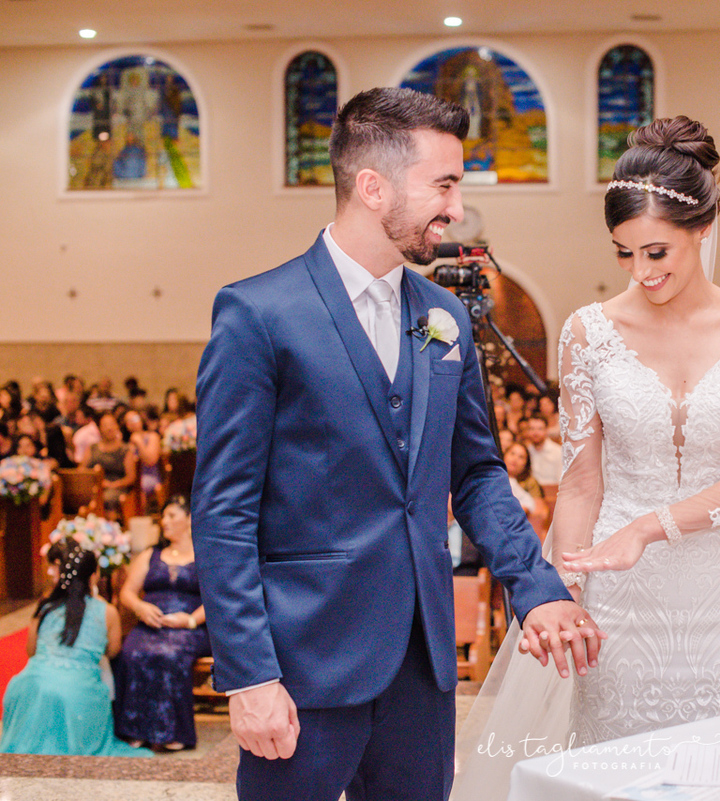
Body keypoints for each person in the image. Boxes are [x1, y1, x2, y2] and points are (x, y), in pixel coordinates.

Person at [192, 87, 599, 801]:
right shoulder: (258, 313)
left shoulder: (443, 318)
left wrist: (534, 588)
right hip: (303, 665)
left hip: (422, 668)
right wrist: (250, 673)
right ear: (372, 187)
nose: (454, 207)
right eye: (443, 184)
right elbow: (222, 510)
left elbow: (475, 471)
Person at [500, 115, 720, 747]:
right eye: (624, 253)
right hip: (617, 608)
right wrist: (567, 590)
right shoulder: (587, 333)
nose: (641, 272)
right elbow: (578, 487)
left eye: (657, 253)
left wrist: (650, 527)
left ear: (702, 230)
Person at [0, 540, 150, 757]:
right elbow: (113, 651)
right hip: (79, 691)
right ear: (93, 576)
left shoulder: (46, 606)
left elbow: (31, 650)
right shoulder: (106, 611)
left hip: (28, 687)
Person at [113, 495, 210, 751]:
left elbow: (218, 600)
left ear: (189, 519)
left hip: (192, 626)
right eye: (163, 516)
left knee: (170, 653)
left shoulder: (205, 554)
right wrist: (140, 607)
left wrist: (189, 620)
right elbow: (127, 592)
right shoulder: (151, 554)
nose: (164, 521)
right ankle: (135, 729)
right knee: (133, 653)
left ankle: (172, 732)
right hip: (150, 624)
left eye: (171, 516)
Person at [87, 411, 136, 515]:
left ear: (117, 426)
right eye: (105, 425)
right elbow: (82, 471)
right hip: (93, 486)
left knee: (106, 498)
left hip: (117, 487)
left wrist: (112, 485)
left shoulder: (125, 449)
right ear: (100, 429)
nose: (109, 428)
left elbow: (131, 477)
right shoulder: (92, 448)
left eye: (111, 424)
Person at [124, 409, 163, 511]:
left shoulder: (152, 436)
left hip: (149, 477)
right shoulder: (125, 444)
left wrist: (139, 442)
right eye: (128, 421)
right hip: (130, 478)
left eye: (135, 419)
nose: (132, 423)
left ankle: (141, 515)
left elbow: (151, 460)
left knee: (139, 486)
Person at [522, 415, 562, 490]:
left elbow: (562, 482)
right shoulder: (525, 451)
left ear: (546, 430)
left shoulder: (558, 452)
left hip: (554, 493)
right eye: (532, 429)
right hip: (531, 494)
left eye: (540, 429)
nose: (535, 433)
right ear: (527, 431)